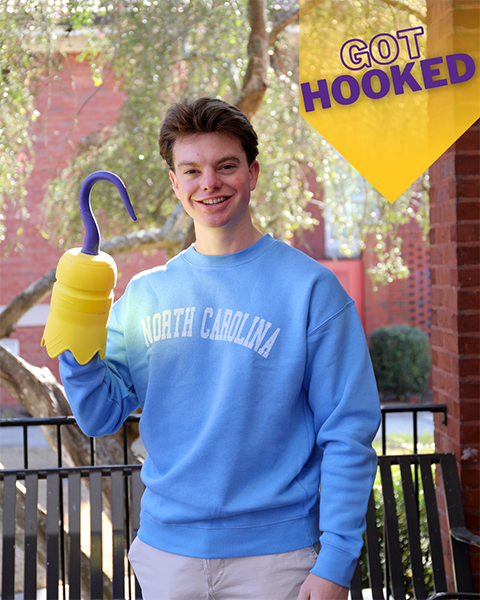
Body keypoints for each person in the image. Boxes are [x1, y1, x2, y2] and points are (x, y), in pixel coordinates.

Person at [58, 96, 381, 600]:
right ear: (174, 182)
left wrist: (336, 562)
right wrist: (74, 332)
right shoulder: (144, 295)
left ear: (252, 173)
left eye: (225, 166)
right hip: (168, 557)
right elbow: (99, 416)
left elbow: (347, 433)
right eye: (191, 170)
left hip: (278, 561)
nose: (208, 182)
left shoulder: (311, 291)